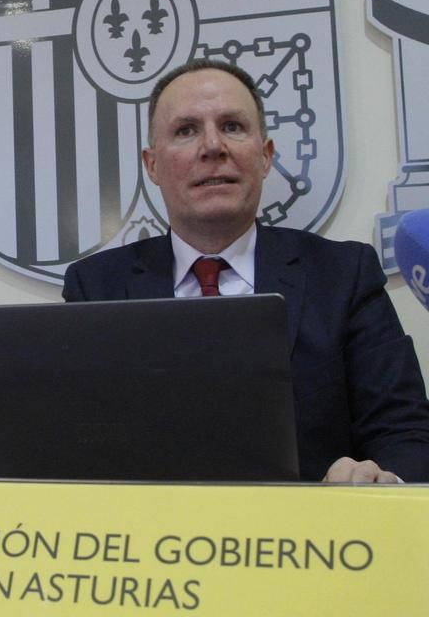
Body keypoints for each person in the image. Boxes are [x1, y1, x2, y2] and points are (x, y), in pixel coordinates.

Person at [62, 59, 429, 483]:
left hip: (309, 538)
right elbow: (74, 445)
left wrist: (380, 482)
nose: (213, 146)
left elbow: (405, 431)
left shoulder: (344, 275)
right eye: (185, 130)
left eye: (233, 126)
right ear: (153, 166)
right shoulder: (95, 288)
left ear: (265, 156)